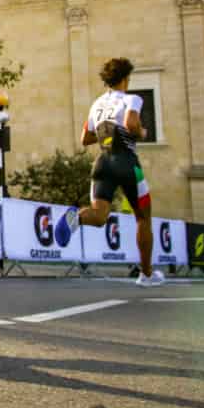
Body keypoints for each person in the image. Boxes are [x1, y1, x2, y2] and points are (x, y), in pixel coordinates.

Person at [58, 57, 161, 286]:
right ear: (125, 79)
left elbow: (85, 138)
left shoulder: (96, 104)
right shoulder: (132, 99)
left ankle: (75, 217)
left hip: (102, 162)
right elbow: (132, 124)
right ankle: (146, 274)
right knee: (143, 217)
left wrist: (107, 133)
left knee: (98, 215)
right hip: (126, 163)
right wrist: (141, 132)